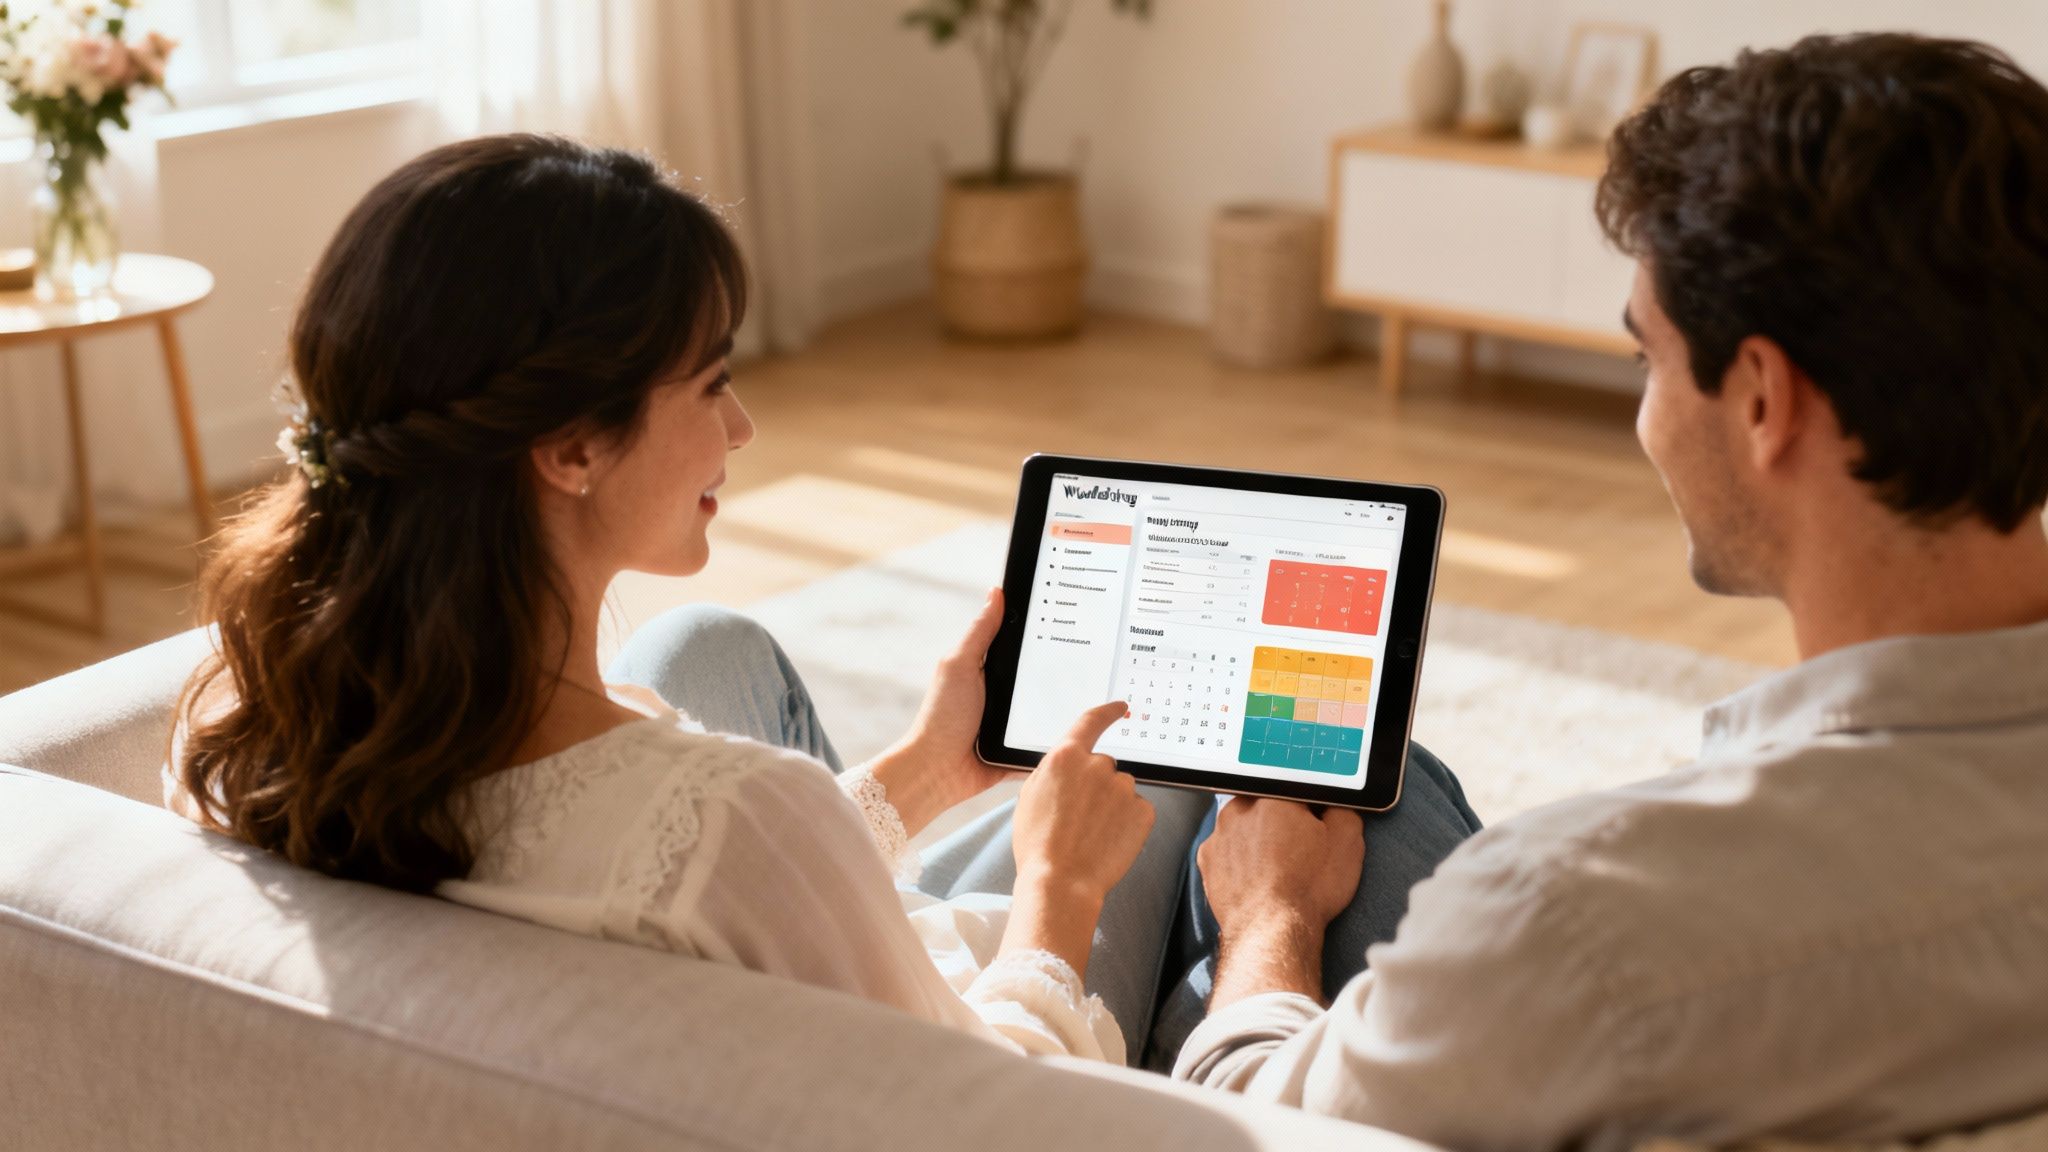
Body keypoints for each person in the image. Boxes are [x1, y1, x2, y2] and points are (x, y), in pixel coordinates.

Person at [160, 131, 1483, 1070]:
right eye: (709, 384)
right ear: (568, 448)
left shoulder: (250, 711)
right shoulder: (743, 823)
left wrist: (922, 769)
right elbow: (986, 1110)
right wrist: (1062, 887)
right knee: (1333, 782)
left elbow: (711, 866)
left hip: (808, 951)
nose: (741, 427)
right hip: (993, 1019)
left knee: (710, 645)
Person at [1159, 32, 2048, 1152]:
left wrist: (1269, 919)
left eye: (1646, 361)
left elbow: (1244, 1127)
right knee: (1382, 785)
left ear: (1762, 399)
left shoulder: (1575, 921)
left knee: (1219, 832)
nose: (1644, 414)